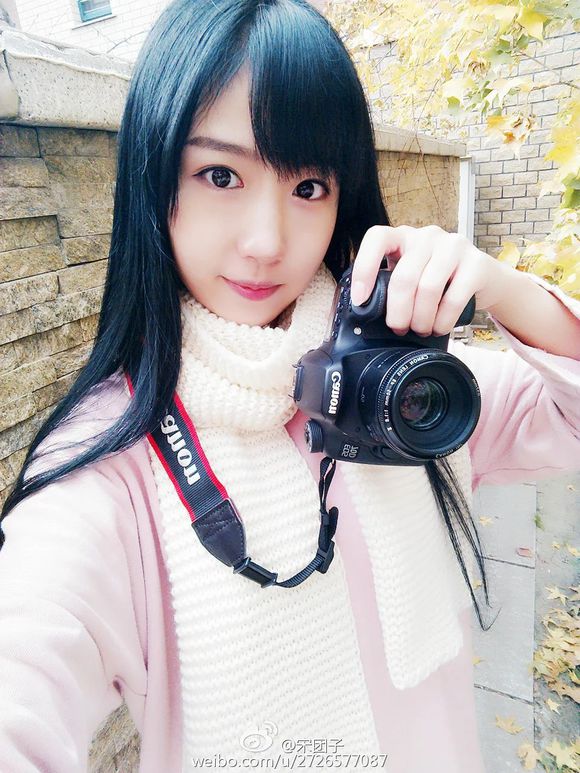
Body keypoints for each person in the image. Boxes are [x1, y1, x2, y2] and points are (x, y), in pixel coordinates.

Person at [1, 0, 579, 771]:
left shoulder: (405, 390)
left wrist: (507, 290)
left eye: (309, 186)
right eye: (220, 175)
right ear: (152, 179)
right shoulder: (110, 464)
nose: (267, 241)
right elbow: (27, 666)